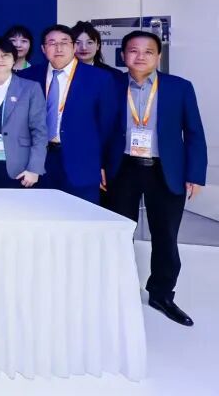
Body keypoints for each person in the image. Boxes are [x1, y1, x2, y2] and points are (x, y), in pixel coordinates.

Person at [108, 31, 206, 327]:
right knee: (118, 233)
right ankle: (117, 289)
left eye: (148, 51)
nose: (140, 56)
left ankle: (162, 294)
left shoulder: (179, 87)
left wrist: (194, 174)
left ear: (158, 56)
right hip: (122, 169)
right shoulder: (111, 85)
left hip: (165, 170)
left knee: (165, 235)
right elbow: (101, 129)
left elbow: (194, 132)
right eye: (133, 51)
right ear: (123, 55)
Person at [19, 24, 117, 204]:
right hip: (37, 162)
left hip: (81, 163)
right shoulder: (27, 76)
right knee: (39, 214)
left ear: (73, 47)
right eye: (52, 43)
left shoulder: (99, 78)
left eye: (64, 42)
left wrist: (103, 163)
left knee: (80, 217)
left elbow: (107, 126)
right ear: (43, 49)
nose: (58, 48)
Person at [0, 38, 47, 189]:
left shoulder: (30, 88)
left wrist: (35, 168)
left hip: (20, 165)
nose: (0, 59)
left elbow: (39, 131)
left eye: (6, 55)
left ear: (13, 59)